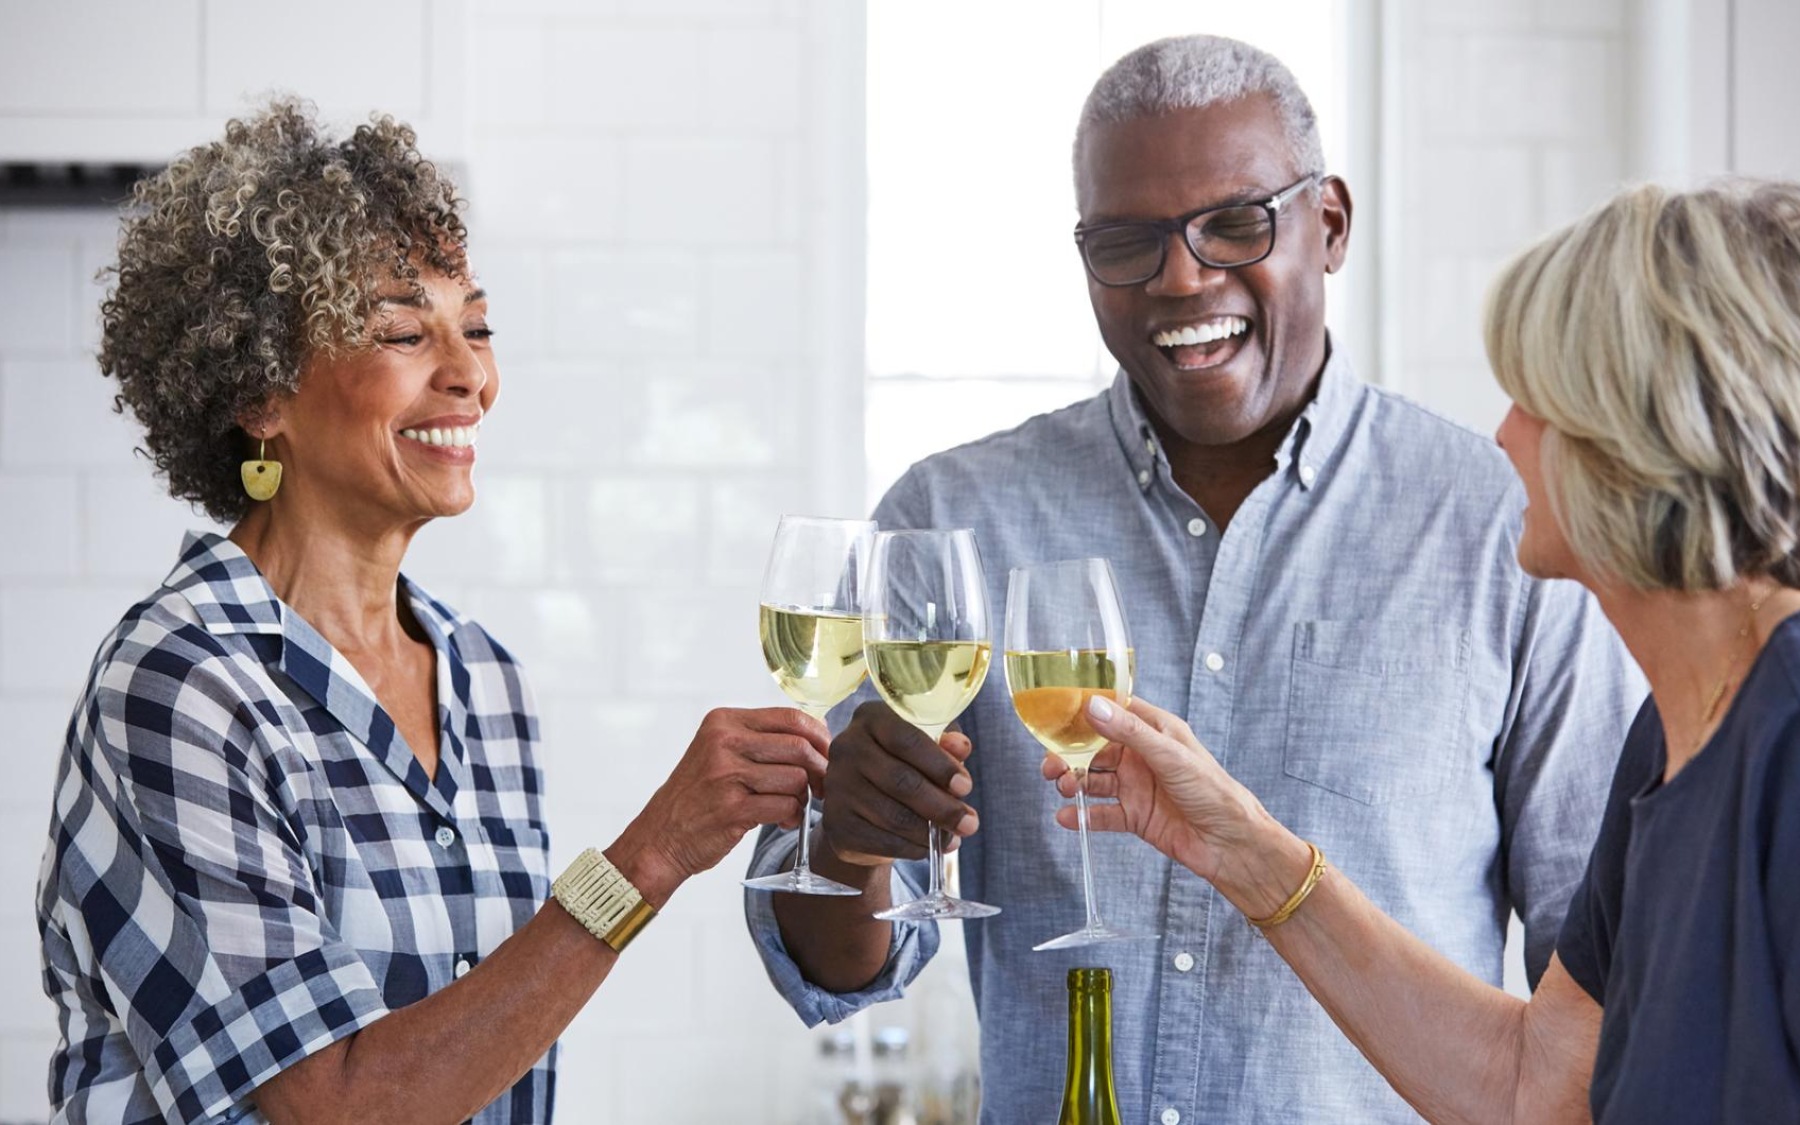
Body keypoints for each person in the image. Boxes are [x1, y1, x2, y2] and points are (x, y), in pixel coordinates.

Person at [744, 34, 1644, 1123]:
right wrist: (848, 840)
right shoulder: (954, 519)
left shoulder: (1505, 523)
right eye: (1127, 243)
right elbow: (841, 972)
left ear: (1332, 225)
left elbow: (1599, 996)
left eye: (1235, 224)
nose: (1182, 277)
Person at [36, 98, 828, 1124]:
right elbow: (339, 1103)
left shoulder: (481, 677)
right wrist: (653, 855)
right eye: (404, 332)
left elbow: (489, 1055)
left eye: (477, 325)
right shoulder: (184, 685)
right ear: (259, 393)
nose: (471, 377)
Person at [1059, 177, 1800, 1122]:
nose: (1504, 433)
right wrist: (1244, 850)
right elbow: (1534, 1089)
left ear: (1641, 431)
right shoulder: (1672, 732)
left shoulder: (1787, 735)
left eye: (1537, 400)